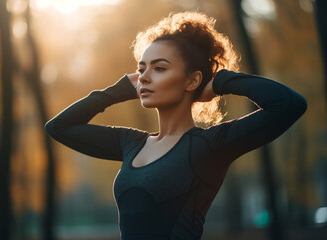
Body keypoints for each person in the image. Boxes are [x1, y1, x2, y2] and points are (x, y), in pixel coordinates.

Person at [45, 11, 307, 240]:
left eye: (159, 68)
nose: (144, 78)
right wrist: (118, 90)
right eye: (141, 69)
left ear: (192, 81)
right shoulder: (131, 144)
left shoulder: (210, 146)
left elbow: (289, 105)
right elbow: (59, 127)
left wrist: (220, 82)